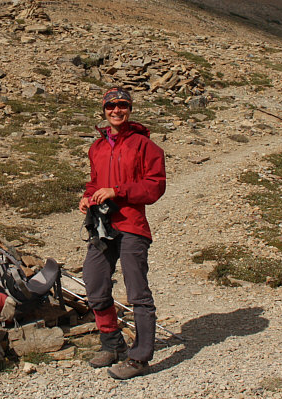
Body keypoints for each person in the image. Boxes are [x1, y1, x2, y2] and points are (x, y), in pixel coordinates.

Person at [78, 86, 166, 380]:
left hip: (131, 225)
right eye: (111, 106)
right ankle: (112, 344)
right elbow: (94, 182)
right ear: (104, 110)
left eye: (122, 105)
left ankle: (140, 358)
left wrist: (118, 191)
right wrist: (87, 197)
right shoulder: (97, 147)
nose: (116, 110)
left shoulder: (145, 146)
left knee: (137, 291)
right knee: (94, 282)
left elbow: (155, 187)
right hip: (103, 226)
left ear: (130, 108)